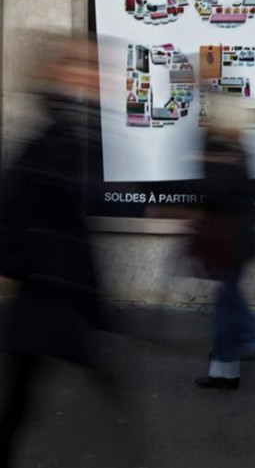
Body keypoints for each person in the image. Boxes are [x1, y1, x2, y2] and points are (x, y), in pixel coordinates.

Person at [0, 33, 117, 467]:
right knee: (22, 399)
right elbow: (13, 203)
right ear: (61, 73)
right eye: (85, 67)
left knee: (25, 397)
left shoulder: (75, 128)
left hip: (66, 290)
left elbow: (88, 198)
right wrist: (18, 264)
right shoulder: (52, 137)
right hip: (50, 290)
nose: (96, 76)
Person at [192, 94, 255, 390]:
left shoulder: (223, 152)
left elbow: (214, 192)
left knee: (225, 304)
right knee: (230, 297)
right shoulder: (237, 150)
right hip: (236, 240)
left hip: (229, 241)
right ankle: (240, 352)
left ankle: (229, 362)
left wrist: (202, 161)